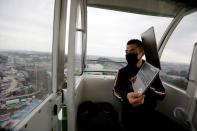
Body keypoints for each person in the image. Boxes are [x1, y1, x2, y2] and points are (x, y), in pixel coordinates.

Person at [113, 39, 166, 131]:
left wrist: (147, 88)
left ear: (142, 53)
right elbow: (116, 90)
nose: (128, 54)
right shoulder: (122, 72)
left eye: (132, 50)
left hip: (147, 114)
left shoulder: (151, 71)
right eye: (127, 51)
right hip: (128, 113)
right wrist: (126, 96)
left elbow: (162, 94)